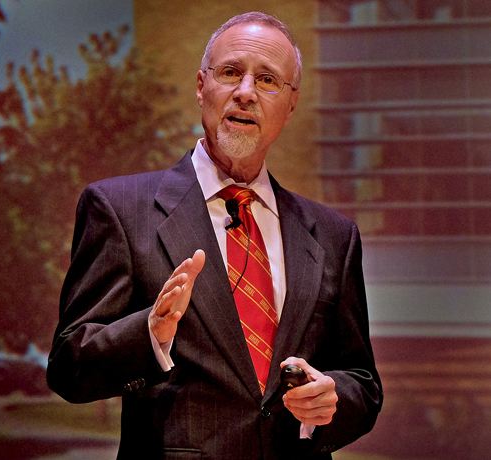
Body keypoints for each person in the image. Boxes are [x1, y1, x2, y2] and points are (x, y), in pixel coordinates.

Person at [46, 11, 382, 460]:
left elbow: (362, 381)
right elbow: (70, 367)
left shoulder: (335, 237)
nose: (245, 93)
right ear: (202, 86)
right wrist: (149, 333)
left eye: (267, 80)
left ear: (290, 104)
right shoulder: (120, 210)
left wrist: (331, 395)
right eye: (230, 73)